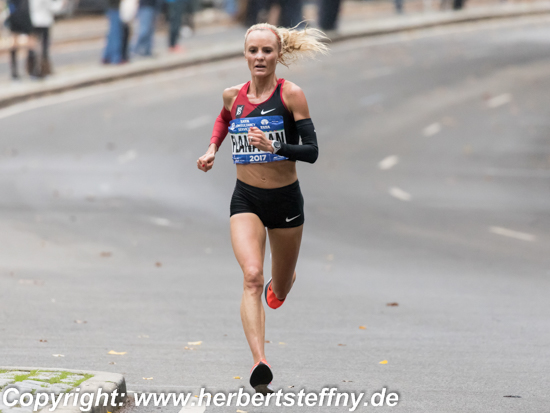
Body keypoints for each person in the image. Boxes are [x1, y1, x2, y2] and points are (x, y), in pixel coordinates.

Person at [197, 23, 328, 394]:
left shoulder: (292, 96)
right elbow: (224, 119)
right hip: (247, 199)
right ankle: (260, 362)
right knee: (252, 275)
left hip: (286, 201)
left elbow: (313, 152)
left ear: (277, 54)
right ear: (245, 54)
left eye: (267, 51)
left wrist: (277, 148)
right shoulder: (232, 95)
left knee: (277, 288)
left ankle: (283, 285)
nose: (259, 57)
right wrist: (211, 150)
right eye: (253, 51)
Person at [29, 0, 65, 76]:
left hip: (33, 21)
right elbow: (53, 8)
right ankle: (43, 69)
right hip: (44, 21)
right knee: (44, 47)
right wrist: (62, 3)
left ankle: (32, 68)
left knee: (33, 46)